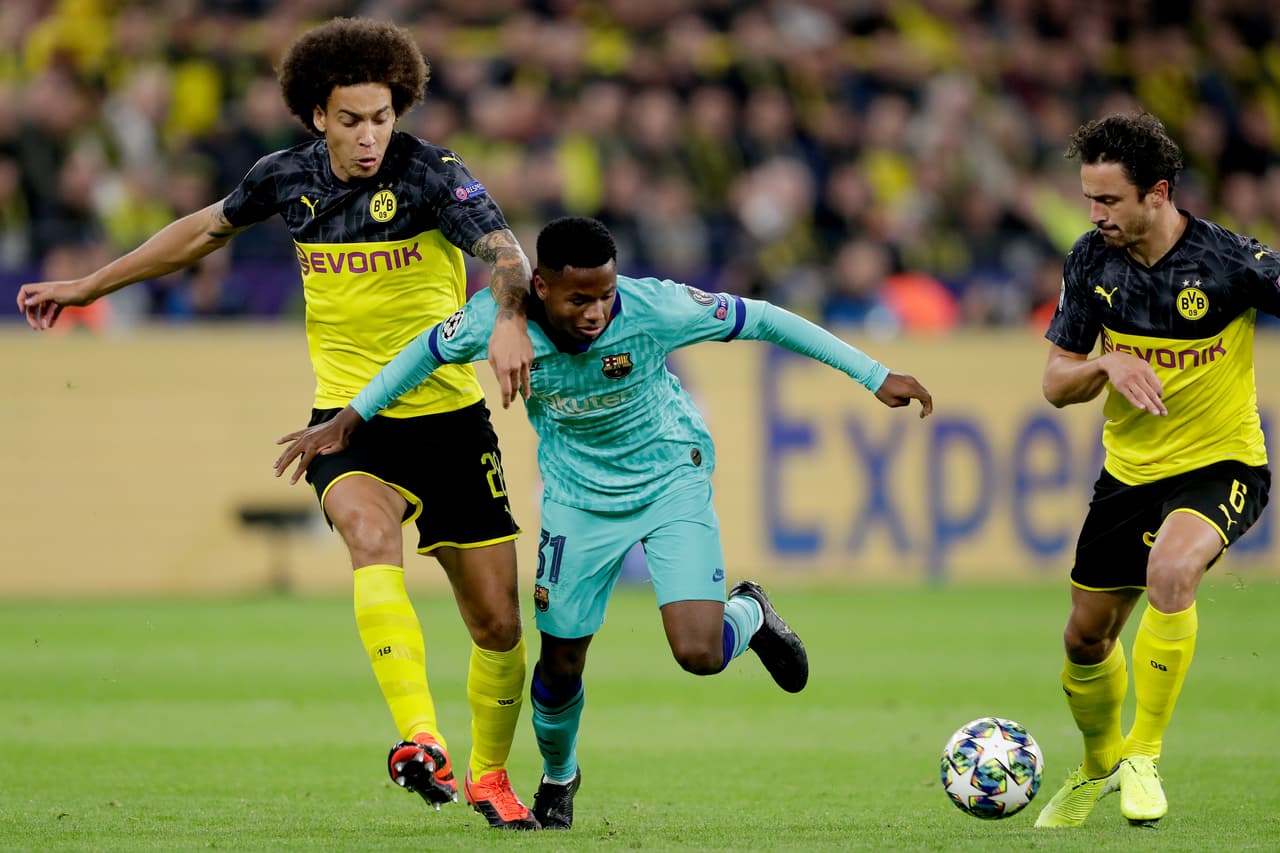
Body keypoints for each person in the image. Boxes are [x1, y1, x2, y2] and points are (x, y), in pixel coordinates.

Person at [15, 18, 541, 829]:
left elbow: (506, 254)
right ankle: (420, 738)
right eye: (351, 119)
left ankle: (491, 775)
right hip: (346, 424)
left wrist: (509, 318)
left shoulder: (433, 173)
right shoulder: (285, 179)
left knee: (499, 625)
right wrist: (91, 284)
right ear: (316, 117)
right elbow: (199, 231)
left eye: (382, 117)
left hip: (452, 423)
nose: (370, 137)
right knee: (371, 538)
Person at [273, 216, 934, 829]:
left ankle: (750, 613)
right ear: (540, 286)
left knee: (699, 652)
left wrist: (873, 372)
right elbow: (423, 352)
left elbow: (764, 319)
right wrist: (347, 419)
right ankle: (560, 776)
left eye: (604, 295)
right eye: (578, 299)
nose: (595, 312)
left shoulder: (655, 308)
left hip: (670, 478)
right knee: (559, 664)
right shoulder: (496, 323)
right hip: (577, 501)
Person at [1035, 112, 1277, 828]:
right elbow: (1054, 381)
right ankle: (1099, 761)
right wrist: (1105, 361)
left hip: (1223, 463)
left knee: (1173, 571)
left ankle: (1144, 754)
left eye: (1109, 200)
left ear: (1157, 193)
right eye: (1089, 199)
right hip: (1128, 473)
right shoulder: (1090, 262)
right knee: (1084, 637)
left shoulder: (1230, 262)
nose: (1095, 214)